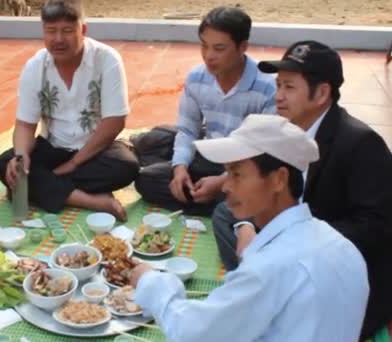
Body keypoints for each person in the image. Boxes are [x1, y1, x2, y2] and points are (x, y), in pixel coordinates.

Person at [130, 114, 369, 342]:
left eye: (237, 174)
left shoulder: (266, 269)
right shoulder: (343, 247)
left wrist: (152, 283)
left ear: (279, 179)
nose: (226, 186)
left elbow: (192, 332)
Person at [211, 40, 392, 339]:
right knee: (225, 213)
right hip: (292, 242)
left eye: (289, 88)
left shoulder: (360, 144)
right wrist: (246, 226)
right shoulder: (286, 131)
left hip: (331, 267)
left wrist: (290, 242)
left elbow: (376, 227)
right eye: (278, 85)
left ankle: (265, 290)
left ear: (321, 93)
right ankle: (262, 282)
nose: (278, 97)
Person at [0, 0, 139, 221]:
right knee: (7, 165)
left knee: (126, 166)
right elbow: (25, 124)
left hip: (95, 149)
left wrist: (73, 164)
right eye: (51, 31)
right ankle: (92, 200)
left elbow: (114, 122)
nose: (58, 39)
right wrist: (21, 158)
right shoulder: (35, 67)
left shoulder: (107, 59)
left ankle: (43, 190)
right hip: (53, 147)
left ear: (83, 29)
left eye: (67, 31)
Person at [134, 6, 277, 216]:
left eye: (219, 49)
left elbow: (263, 152)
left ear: (242, 47)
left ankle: (223, 204)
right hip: (210, 153)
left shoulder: (267, 88)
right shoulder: (197, 78)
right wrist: (180, 168)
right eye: (204, 46)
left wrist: (223, 182)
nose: (208, 56)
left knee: (259, 192)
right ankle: (223, 205)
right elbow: (187, 130)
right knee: (146, 179)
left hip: (246, 166)